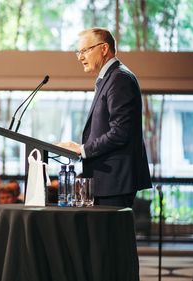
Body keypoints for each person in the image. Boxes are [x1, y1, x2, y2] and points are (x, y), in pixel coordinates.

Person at [57, 27, 152, 208]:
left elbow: (119, 132)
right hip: (107, 182)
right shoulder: (109, 78)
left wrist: (82, 149)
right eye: (78, 52)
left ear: (104, 48)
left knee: (111, 237)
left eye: (85, 50)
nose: (80, 57)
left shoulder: (119, 79)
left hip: (115, 182)